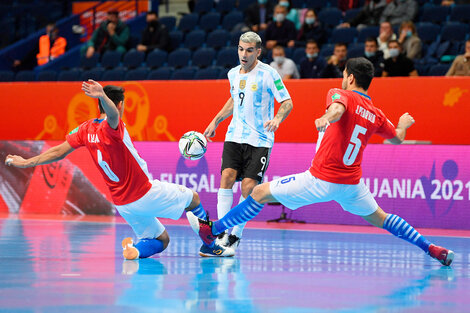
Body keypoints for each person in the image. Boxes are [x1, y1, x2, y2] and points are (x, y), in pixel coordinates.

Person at [189, 57, 454, 267]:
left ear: (350, 77)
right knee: (383, 219)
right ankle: (431, 248)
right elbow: (396, 139)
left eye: (344, 74)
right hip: (351, 185)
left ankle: (215, 230)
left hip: (320, 179)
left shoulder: (340, 94)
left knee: (258, 192)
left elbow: (338, 108)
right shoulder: (376, 113)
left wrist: (328, 118)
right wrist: (403, 125)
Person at [5, 81, 234, 259]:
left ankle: (134, 251)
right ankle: (210, 245)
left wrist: (26, 163)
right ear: (121, 105)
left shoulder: (85, 129)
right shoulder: (113, 128)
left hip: (123, 204)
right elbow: (113, 115)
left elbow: (58, 152)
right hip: (144, 192)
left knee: (160, 239)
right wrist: (103, 95)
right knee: (193, 199)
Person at [202, 31, 293, 256]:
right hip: (235, 135)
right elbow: (234, 99)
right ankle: (221, 231)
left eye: (249, 50)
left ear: (258, 52)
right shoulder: (233, 74)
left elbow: (287, 102)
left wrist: (278, 118)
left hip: (260, 139)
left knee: (248, 187)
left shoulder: (269, 74)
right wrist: (216, 120)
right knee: (226, 177)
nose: (244, 54)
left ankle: (236, 234)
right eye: (241, 49)